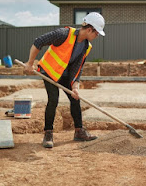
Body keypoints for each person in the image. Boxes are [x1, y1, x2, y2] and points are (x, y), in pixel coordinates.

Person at [24, 12, 105, 148]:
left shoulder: (86, 46)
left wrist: (75, 86)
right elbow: (39, 42)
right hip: (49, 71)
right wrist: (30, 63)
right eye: (96, 33)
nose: (96, 36)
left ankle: (79, 131)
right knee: (53, 99)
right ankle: (48, 133)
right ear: (90, 29)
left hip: (65, 74)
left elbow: (77, 68)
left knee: (75, 98)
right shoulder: (64, 34)